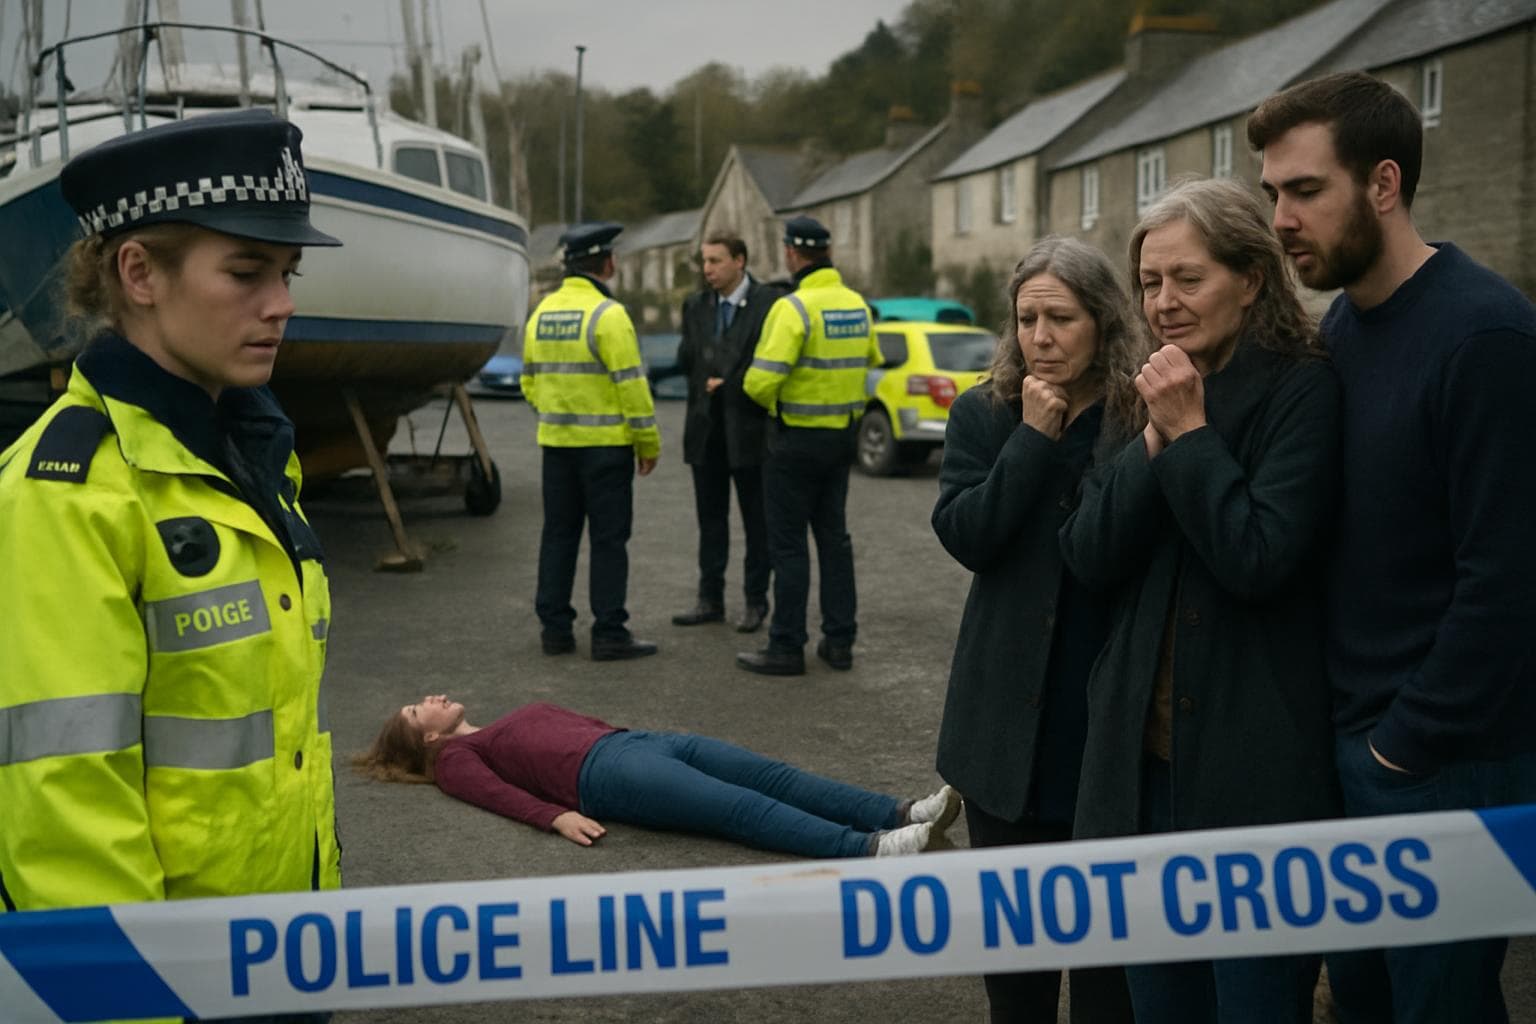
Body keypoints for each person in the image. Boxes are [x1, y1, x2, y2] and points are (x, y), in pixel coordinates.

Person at [0, 110, 341, 1024]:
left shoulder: (251, 452)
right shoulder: (68, 493)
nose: (282, 303)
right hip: (167, 992)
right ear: (139, 273)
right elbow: (64, 805)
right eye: (246, 272)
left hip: (284, 957)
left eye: (287, 275)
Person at [1250, 71, 1536, 1024]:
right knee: (1366, 1005)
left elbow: (1508, 578)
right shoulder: (1346, 326)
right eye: (1272, 193)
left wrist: (1403, 748)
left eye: (1304, 191)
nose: (1281, 218)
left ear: (1382, 185)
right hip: (1357, 747)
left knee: (1440, 1010)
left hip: (1443, 761)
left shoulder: (1486, 336)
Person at [1060, 178, 1341, 1024]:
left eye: (1189, 278)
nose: (1164, 302)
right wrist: (1154, 432)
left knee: (1255, 1007)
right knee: (1160, 1008)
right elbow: (1086, 553)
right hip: (1140, 773)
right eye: (1149, 281)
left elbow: (1258, 558)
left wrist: (1188, 433)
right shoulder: (1149, 386)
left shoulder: (1303, 390)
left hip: (1253, 782)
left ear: (1251, 278)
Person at [932, 236, 1137, 1024]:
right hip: (1002, 725)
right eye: (1027, 319)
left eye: (1062, 318)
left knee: (1105, 972)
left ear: (1103, 321)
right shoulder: (984, 412)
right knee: (1015, 970)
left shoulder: (1137, 413)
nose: (1041, 337)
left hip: (1103, 721)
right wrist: (1030, 439)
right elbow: (967, 535)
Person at [356, 695, 962, 859]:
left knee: (772, 777)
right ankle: (873, 849)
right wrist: (555, 815)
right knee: (739, 810)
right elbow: (495, 796)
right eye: (418, 709)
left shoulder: (483, 733)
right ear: (427, 739)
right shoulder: (456, 762)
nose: (430, 698)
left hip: (635, 744)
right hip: (609, 775)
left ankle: (902, 813)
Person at [737, 216, 880, 676]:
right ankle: (839, 643)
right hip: (841, 441)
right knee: (834, 542)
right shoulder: (857, 305)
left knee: (789, 547)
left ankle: (785, 647)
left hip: (793, 442)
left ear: (792, 254)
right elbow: (871, 361)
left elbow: (759, 383)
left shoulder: (792, 308)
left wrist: (775, 402)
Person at [521, 222, 662, 662]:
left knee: (558, 535)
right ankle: (609, 633)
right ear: (607, 263)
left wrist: (553, 415)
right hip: (606, 448)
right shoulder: (609, 315)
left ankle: (555, 631)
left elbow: (528, 380)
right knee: (607, 540)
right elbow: (632, 387)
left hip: (557, 446)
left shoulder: (541, 313)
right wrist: (647, 443)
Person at [671, 232, 780, 634]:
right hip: (705, 431)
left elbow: (770, 361)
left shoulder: (770, 304)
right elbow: (688, 358)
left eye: (716, 261)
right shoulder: (696, 306)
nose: (708, 270)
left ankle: (755, 602)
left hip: (750, 431)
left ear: (740, 260)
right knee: (710, 521)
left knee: (758, 524)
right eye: (705, 261)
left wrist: (730, 383)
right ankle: (709, 599)